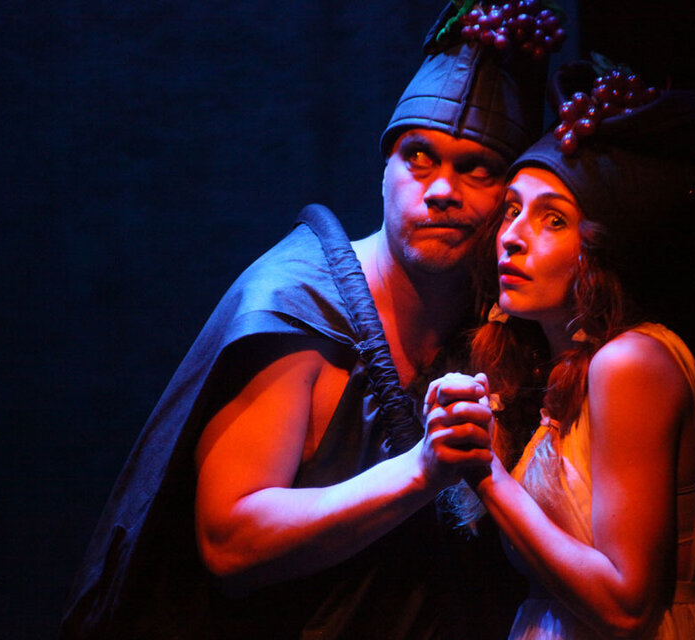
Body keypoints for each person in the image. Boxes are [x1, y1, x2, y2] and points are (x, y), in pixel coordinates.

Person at [59, 5, 549, 639]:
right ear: (384, 171)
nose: (440, 190)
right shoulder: (297, 305)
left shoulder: (511, 327)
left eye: (477, 168)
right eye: (419, 157)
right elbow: (230, 542)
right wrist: (421, 471)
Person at [425, 62, 695, 639]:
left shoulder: (630, 362)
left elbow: (626, 606)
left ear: (598, 253)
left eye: (552, 220)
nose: (512, 236)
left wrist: (486, 472)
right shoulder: (565, 368)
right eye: (513, 209)